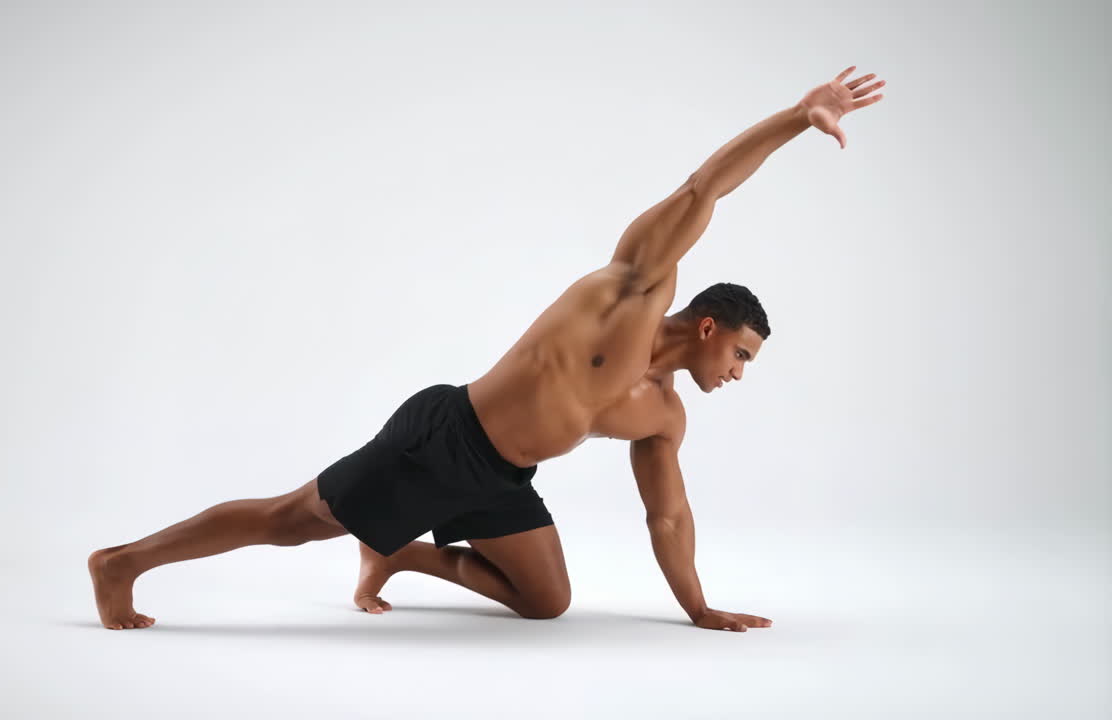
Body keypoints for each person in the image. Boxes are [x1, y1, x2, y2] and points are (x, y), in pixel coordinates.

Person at [89, 66, 885, 632]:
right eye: (742, 355)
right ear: (709, 327)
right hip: (444, 438)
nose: (739, 374)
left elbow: (668, 517)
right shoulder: (635, 291)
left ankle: (397, 552)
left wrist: (699, 607)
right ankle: (123, 562)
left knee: (547, 603)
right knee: (292, 520)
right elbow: (701, 190)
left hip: (502, 477)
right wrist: (795, 118)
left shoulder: (663, 416)